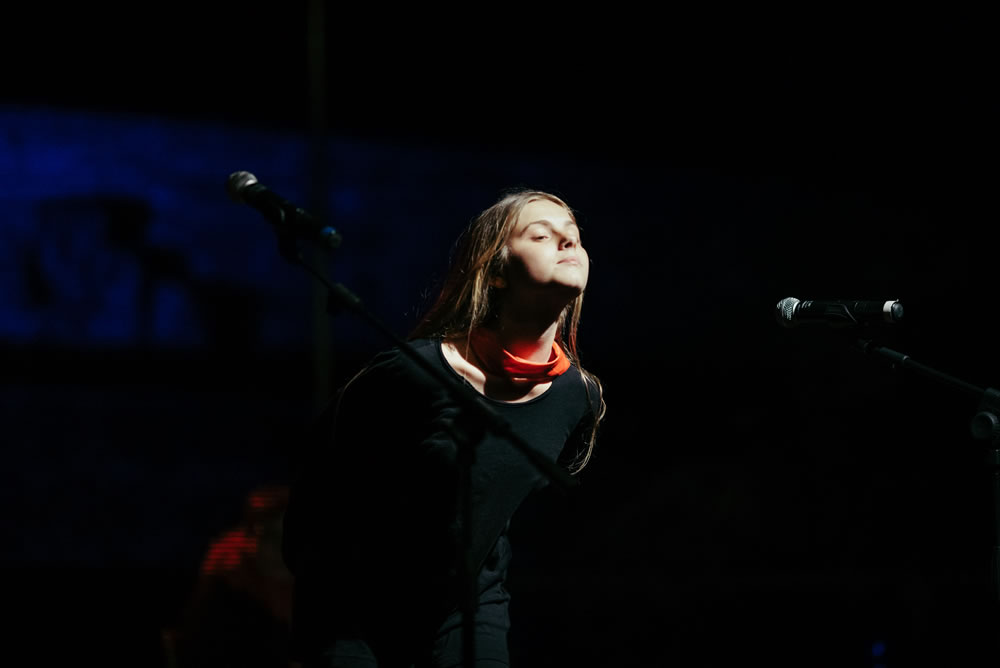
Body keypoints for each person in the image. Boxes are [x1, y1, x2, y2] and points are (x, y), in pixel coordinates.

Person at [281, 188, 606, 667]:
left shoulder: (577, 397)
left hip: (467, 611)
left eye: (573, 236)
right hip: (355, 611)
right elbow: (318, 485)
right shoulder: (414, 372)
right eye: (541, 235)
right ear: (495, 272)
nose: (567, 243)